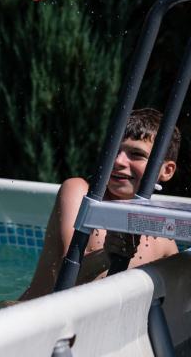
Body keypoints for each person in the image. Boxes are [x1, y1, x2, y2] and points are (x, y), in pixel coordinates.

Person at [18, 108, 179, 301]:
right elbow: (61, 276)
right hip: (27, 319)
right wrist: (106, 256)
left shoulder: (163, 241)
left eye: (136, 154)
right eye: (114, 150)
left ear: (167, 170)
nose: (118, 161)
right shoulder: (82, 194)